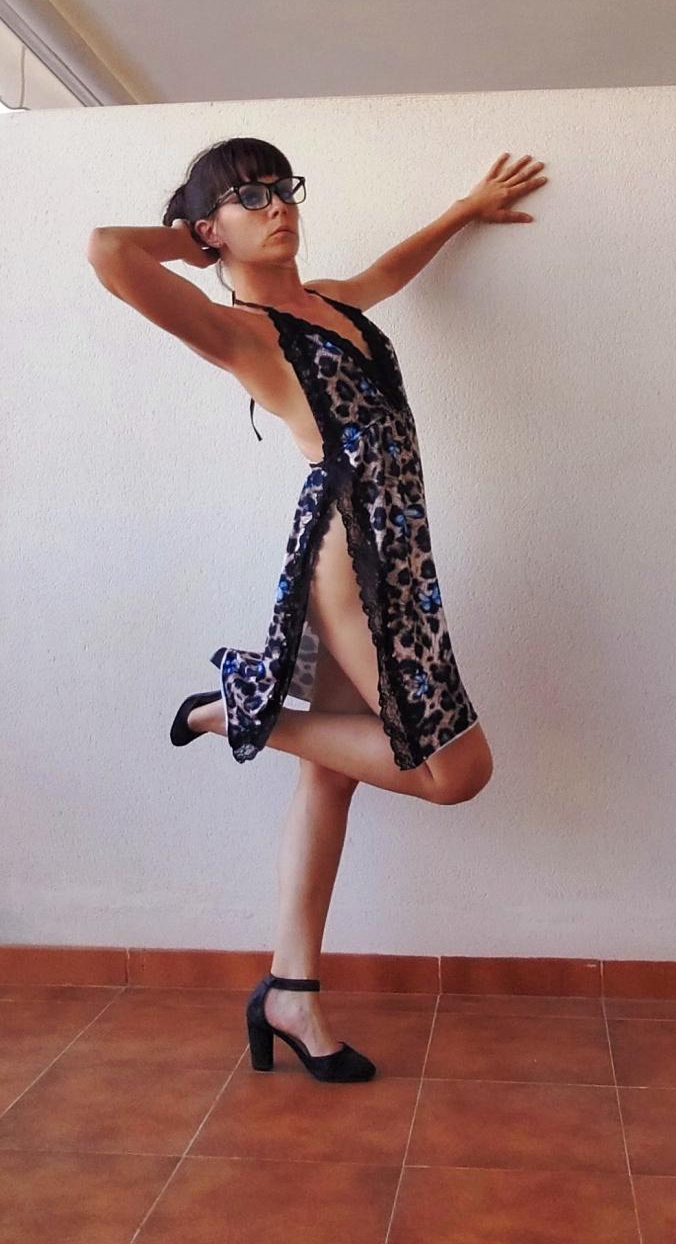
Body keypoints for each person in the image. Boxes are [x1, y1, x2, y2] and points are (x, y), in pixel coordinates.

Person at [87, 136, 547, 1081]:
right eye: (250, 197)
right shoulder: (244, 332)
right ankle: (234, 711)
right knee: (454, 772)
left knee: (333, 778)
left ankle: (291, 991)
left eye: (281, 188)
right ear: (214, 227)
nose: (277, 206)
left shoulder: (332, 301)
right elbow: (108, 252)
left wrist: (463, 211)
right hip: (355, 556)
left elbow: (388, 270)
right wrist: (191, 239)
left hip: (400, 556)